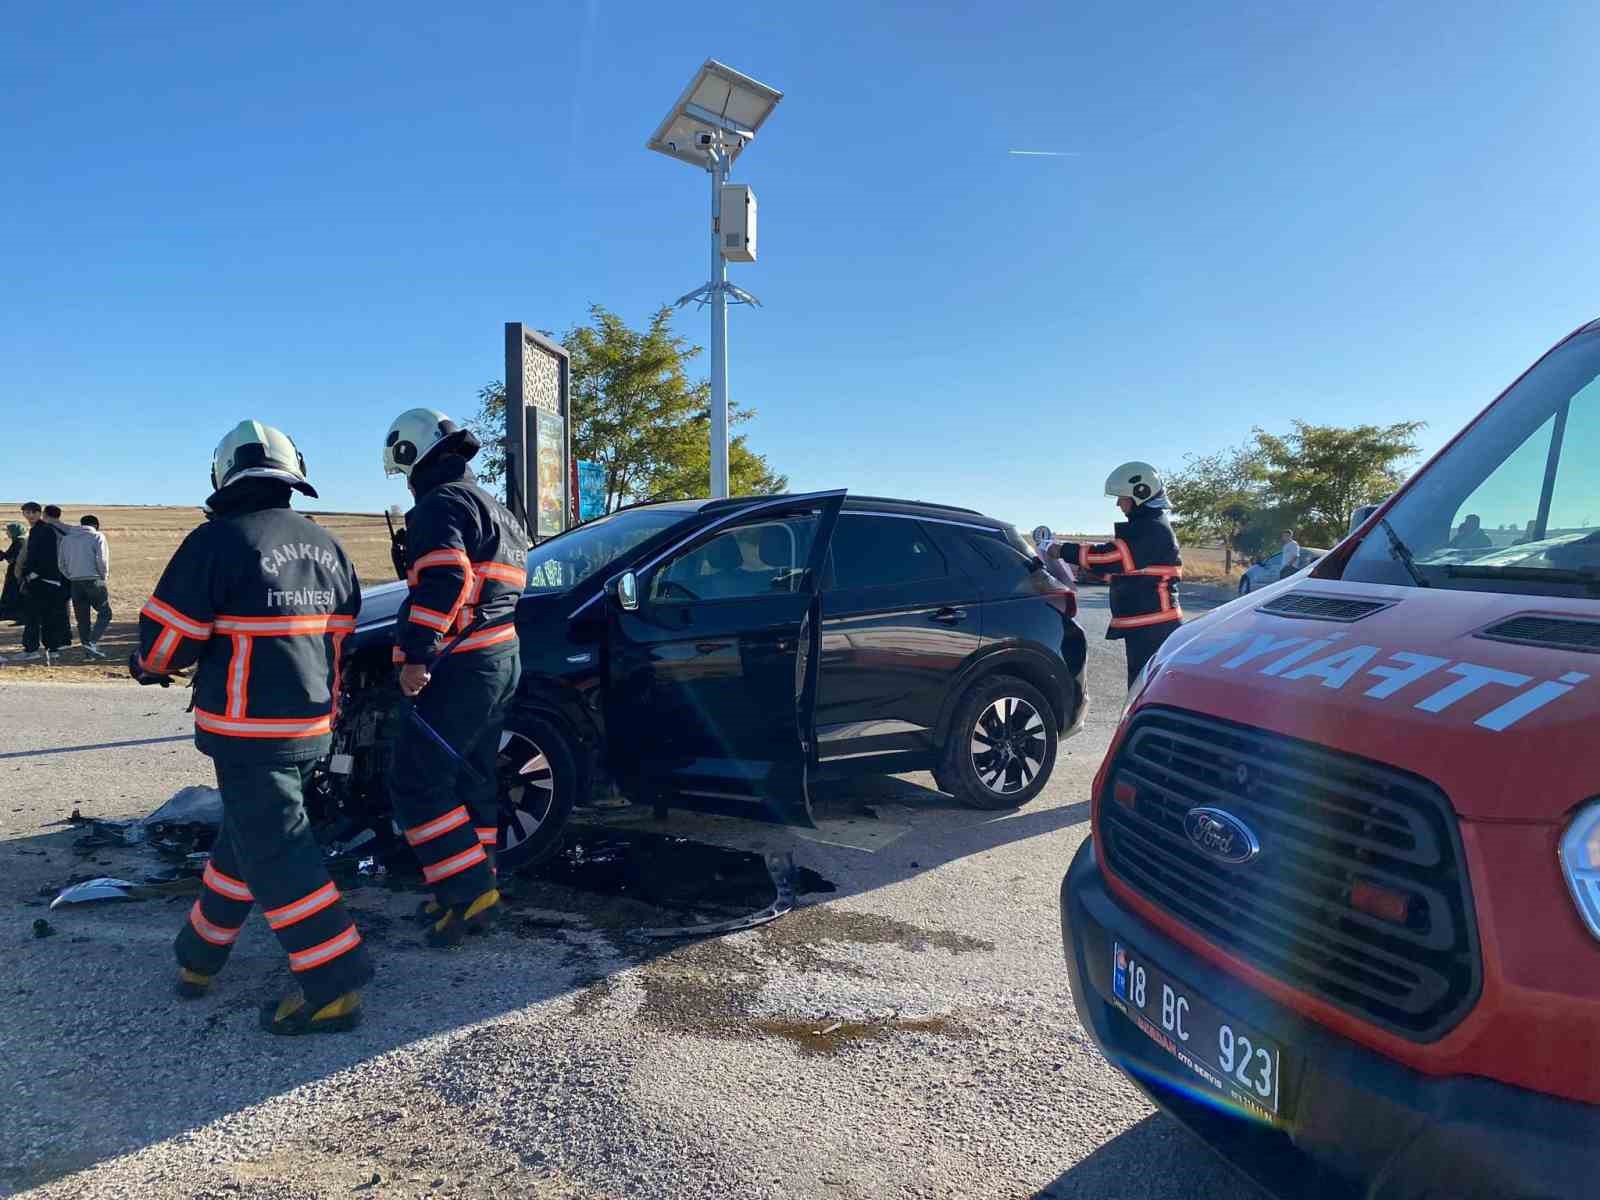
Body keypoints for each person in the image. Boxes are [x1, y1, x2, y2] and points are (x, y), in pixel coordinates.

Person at [133, 420, 370, 1035]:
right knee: (247, 837)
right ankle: (199, 956)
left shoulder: (217, 542)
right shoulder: (329, 545)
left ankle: (333, 982)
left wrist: (147, 665)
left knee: (279, 847)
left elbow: (165, 645)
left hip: (246, 730)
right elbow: (345, 634)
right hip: (312, 724)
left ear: (225, 472)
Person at [382, 407, 529, 948]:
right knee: (473, 779)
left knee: (416, 782)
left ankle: (468, 892)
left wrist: (418, 653)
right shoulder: (498, 509)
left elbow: (446, 576)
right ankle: (471, 883)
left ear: (410, 454)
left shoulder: (440, 505)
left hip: (461, 663)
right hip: (500, 656)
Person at [1050, 461, 1183, 685]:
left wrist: (1063, 550)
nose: (1118, 504)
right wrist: (1091, 572)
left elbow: (1114, 558)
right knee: (1143, 685)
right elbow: (1129, 572)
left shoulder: (1153, 528)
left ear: (1140, 494)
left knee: (1148, 686)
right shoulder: (1147, 526)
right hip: (1148, 624)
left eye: (1122, 497)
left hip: (1155, 626)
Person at [17, 502, 70, 662]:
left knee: (33, 616)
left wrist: (32, 574)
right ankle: (52, 650)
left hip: (43, 579)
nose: (29, 515)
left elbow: (46, 556)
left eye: (33, 512)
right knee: (48, 616)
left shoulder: (43, 530)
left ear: (40, 513)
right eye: (26, 512)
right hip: (49, 579)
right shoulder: (38, 529)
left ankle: (32, 649)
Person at [61, 514, 113, 657]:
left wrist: (71, 576)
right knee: (105, 613)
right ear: (96, 525)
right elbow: (102, 560)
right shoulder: (97, 536)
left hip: (75, 582)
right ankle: (92, 642)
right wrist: (104, 576)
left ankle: (88, 652)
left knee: (82, 619)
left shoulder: (67, 539)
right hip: (94, 580)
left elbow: (62, 563)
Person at [0, 521, 25, 622]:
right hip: (17, 572)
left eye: (9, 531)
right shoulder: (20, 540)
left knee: (13, 594)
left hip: (16, 572)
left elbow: (11, 558)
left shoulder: (19, 542)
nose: (7, 533)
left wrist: (3, 554)